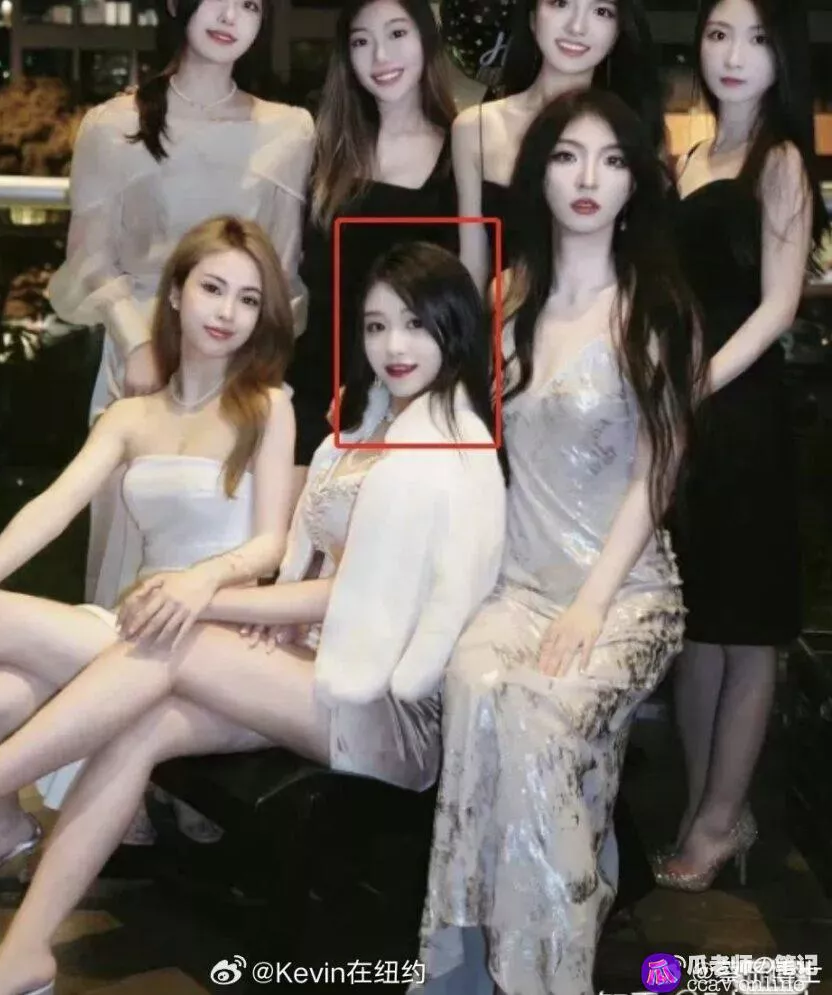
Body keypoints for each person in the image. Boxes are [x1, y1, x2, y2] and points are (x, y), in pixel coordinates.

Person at [0, 241, 507, 995]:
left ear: (453, 329)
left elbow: (355, 597)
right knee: (145, 723)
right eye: (377, 327)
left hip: (387, 712)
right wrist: (258, 613)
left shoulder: (442, 452)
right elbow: (313, 569)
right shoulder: (371, 427)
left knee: (179, 640)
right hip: (312, 672)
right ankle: (23, 956)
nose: (394, 346)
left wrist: (204, 594)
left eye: (415, 325)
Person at [0, 215, 298, 900]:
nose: (227, 313)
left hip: (210, 635)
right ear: (176, 292)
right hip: (133, 626)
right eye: (213, 288)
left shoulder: (268, 407)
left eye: (248, 299)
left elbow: (270, 543)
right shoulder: (133, 416)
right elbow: (52, 506)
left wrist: (204, 579)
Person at [414, 89, 705, 995]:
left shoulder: (655, 307)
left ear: (635, 184)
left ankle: (547, 974)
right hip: (517, 588)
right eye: (567, 157)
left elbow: (657, 474)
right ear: (538, 174)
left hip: (625, 595)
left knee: (540, 725)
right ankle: (468, 972)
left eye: (612, 160)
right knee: (474, 694)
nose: (588, 178)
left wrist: (590, 604)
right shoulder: (508, 295)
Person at [46, 0, 314, 847]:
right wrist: (140, 342)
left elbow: (283, 279)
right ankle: (112, 782)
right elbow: (89, 261)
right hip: (139, 370)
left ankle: (192, 775)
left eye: (252, 3)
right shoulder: (112, 125)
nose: (232, 15)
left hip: (238, 383)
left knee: (222, 569)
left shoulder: (290, 129)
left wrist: (242, 366)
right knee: (123, 573)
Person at [655, 0, 830, 892]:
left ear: (782, 56)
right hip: (685, 415)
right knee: (697, 625)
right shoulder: (690, 155)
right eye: (720, 34)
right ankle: (704, 803)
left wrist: (695, 382)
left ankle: (723, 818)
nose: (734, 54)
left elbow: (778, 306)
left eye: (758, 39)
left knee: (748, 630)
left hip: (743, 414)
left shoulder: (782, 159)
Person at [285, 0, 460, 478]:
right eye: (362, 41)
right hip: (315, 386)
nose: (381, 56)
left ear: (426, 41)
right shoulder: (323, 152)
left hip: (409, 393)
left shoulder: (462, 153)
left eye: (397, 34)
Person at [452, 0, 665, 299]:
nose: (577, 27)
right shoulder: (475, 128)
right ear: (532, 16)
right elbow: (473, 262)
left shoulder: (632, 132)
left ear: (618, 31)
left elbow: (645, 257)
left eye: (601, 11)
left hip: (600, 320)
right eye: (561, 3)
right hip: (502, 316)